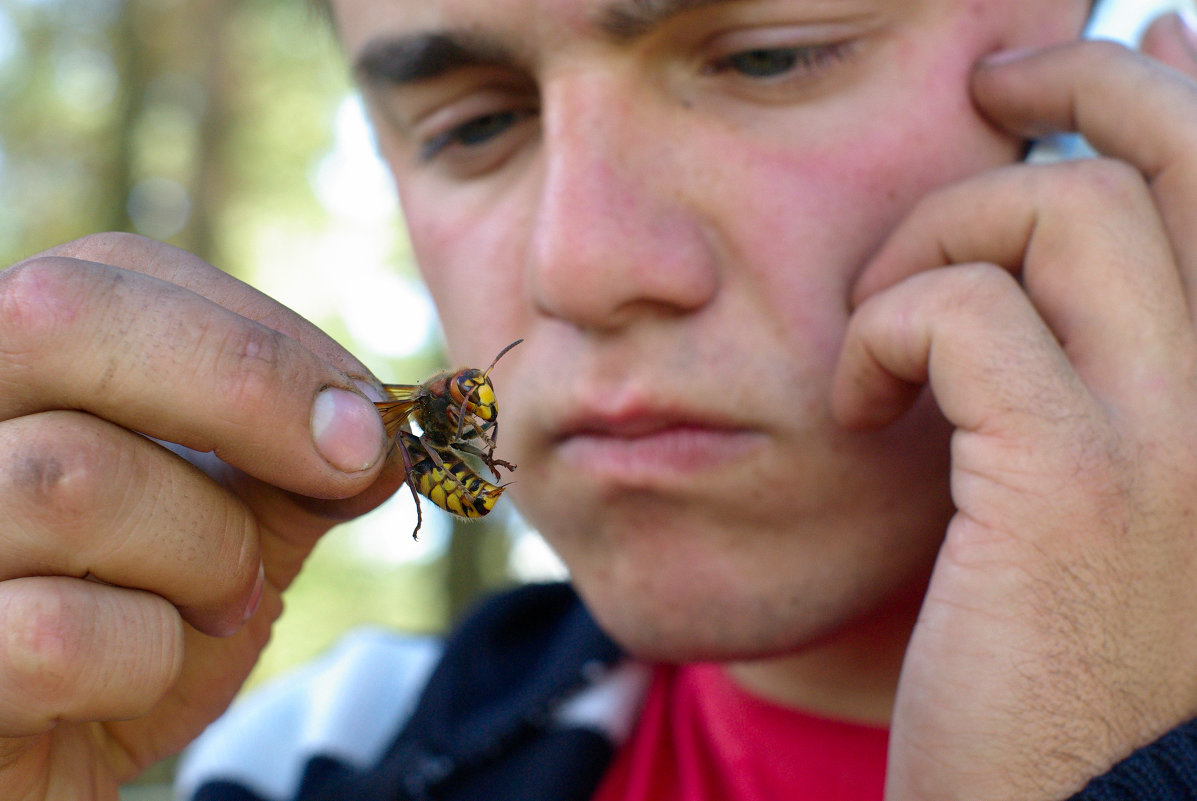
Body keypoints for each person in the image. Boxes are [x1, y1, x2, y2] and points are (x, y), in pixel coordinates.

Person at [5, 0, 1197, 798]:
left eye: (767, 55)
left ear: (1133, 70)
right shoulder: (315, 759)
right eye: (473, 125)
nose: (577, 267)